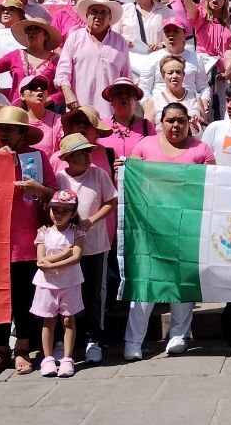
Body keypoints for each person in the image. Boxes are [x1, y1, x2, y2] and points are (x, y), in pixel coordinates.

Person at [122, 102, 215, 361]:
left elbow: (212, 185)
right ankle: (133, 341)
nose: (176, 125)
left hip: (187, 227)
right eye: (170, 120)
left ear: (189, 122)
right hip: (149, 227)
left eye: (181, 120)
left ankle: (179, 335)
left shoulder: (201, 149)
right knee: (145, 283)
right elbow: (130, 179)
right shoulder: (145, 146)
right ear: (161, 122)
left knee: (182, 281)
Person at [0, 106, 56, 375]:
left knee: (23, 298)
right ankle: (0, 350)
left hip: (26, 241)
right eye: (2, 130)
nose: (4, 134)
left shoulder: (38, 158)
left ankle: (22, 348)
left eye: (10, 129)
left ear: (23, 133)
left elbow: (56, 196)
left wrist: (41, 190)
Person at [53, 133, 116, 365]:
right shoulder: (60, 178)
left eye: (89, 152)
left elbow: (111, 201)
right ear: (69, 157)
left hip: (95, 245)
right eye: (82, 153)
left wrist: (91, 221)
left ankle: (94, 339)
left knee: (94, 294)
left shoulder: (98, 174)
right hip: (65, 248)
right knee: (65, 293)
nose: (89, 157)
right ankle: (62, 341)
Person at [30, 188, 84, 379]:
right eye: (55, 210)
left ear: (73, 213)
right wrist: (64, 254)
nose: (58, 215)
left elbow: (76, 257)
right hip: (47, 285)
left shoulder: (76, 232)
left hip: (70, 282)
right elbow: (40, 261)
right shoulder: (43, 233)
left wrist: (54, 263)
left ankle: (68, 358)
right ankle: (48, 358)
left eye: (64, 211)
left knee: (69, 319)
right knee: (48, 319)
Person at [56, 0, 130, 119]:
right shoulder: (74, 38)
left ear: (110, 17)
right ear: (87, 15)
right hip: (79, 110)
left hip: (111, 113)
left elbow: (126, 77)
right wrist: (68, 94)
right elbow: (62, 72)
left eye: (103, 13)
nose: (98, 16)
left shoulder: (120, 42)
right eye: (94, 12)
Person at [145, 54, 208, 128]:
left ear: (183, 75)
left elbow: (206, 125)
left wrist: (200, 122)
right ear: (163, 76)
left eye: (178, 72)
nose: (174, 76)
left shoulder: (195, 97)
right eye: (170, 73)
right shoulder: (154, 101)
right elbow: (147, 130)